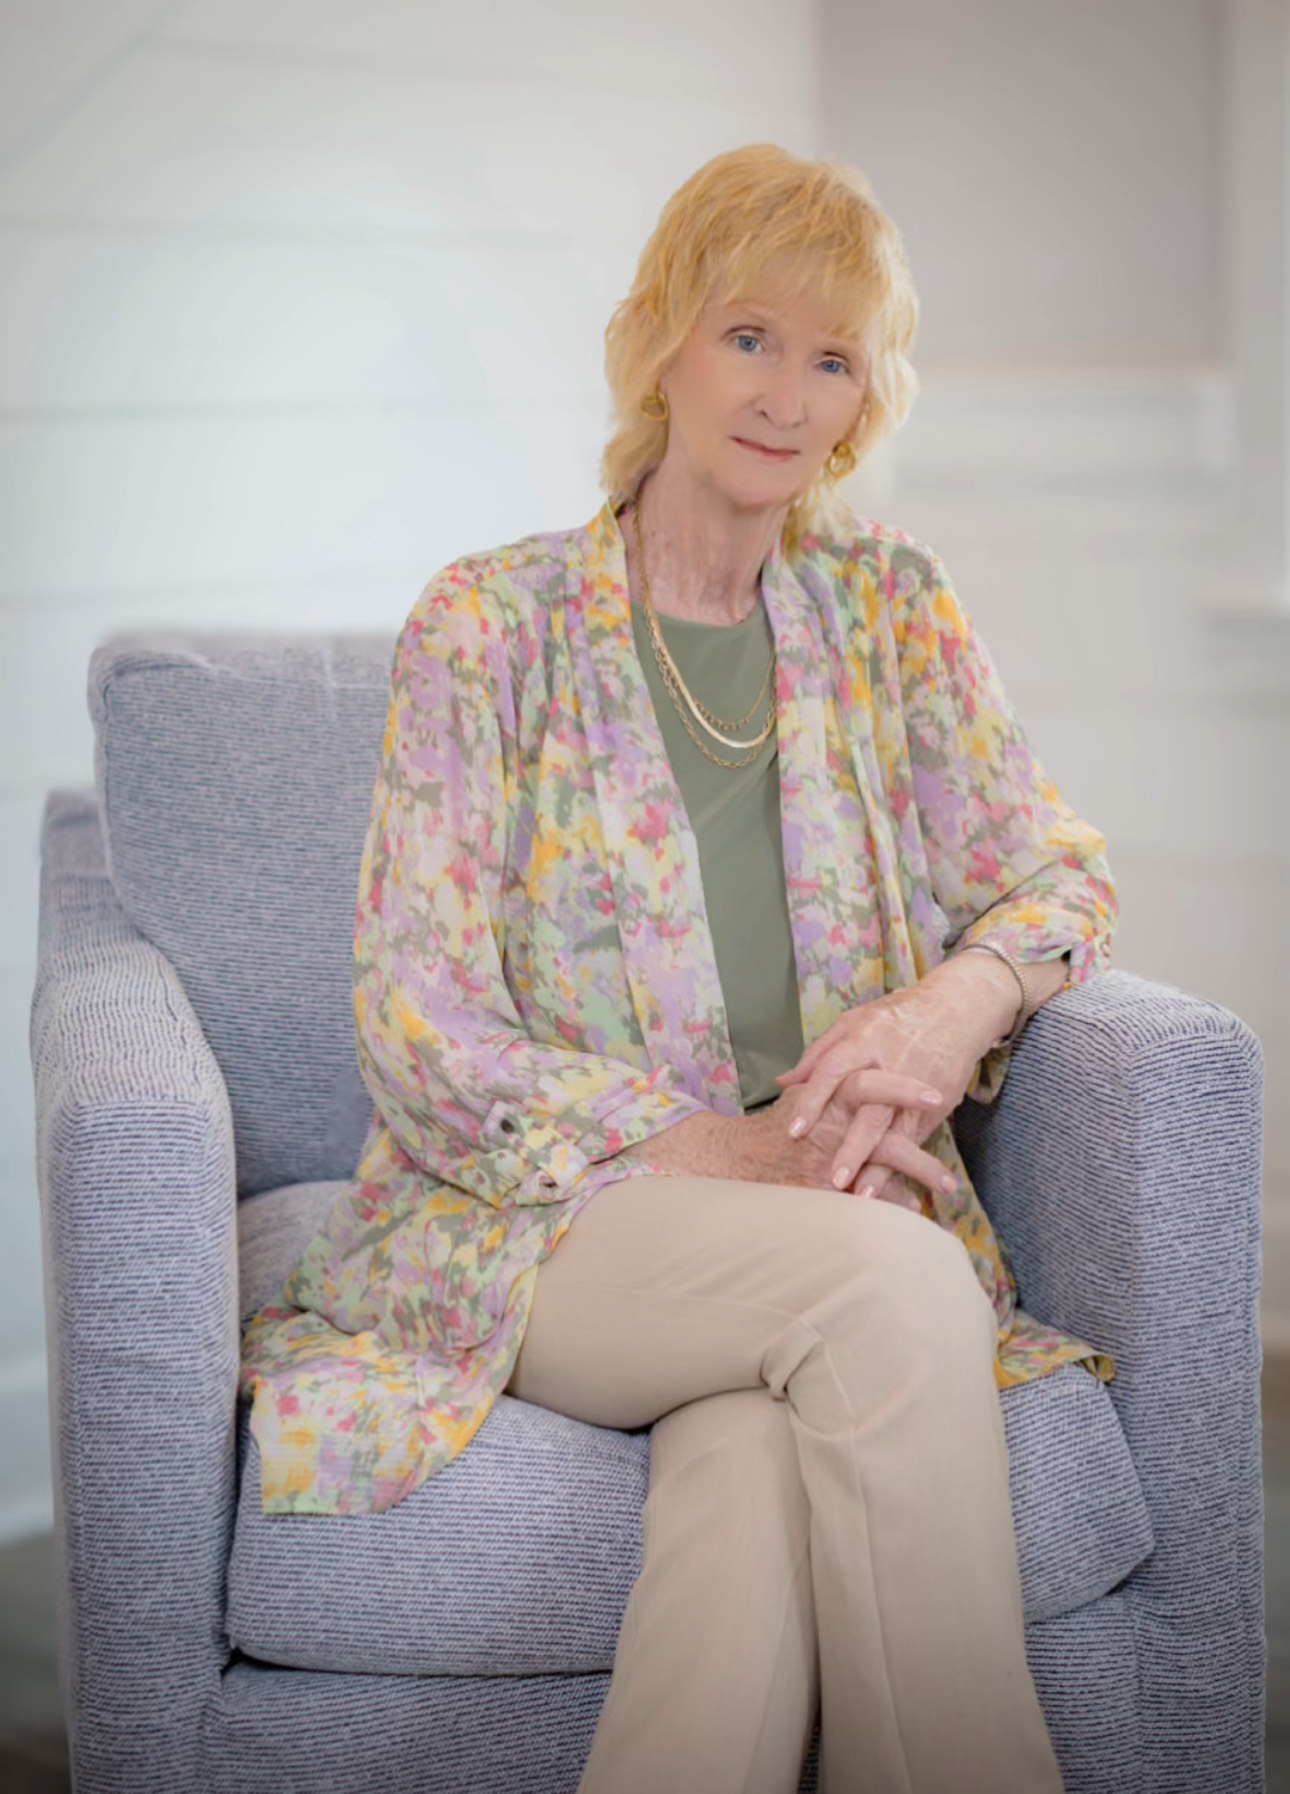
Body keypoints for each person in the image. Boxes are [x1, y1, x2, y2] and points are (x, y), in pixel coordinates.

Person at [241, 142, 1118, 1793]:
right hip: (548, 1221)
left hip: (798, 1235)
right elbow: (417, 1022)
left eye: (832, 356)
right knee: (889, 1285)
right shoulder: (490, 624)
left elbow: (1055, 871)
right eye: (748, 335)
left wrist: (950, 1006)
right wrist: (725, 1149)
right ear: (661, 340)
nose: (784, 394)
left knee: (751, 1458)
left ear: (864, 399)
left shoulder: (890, 605)